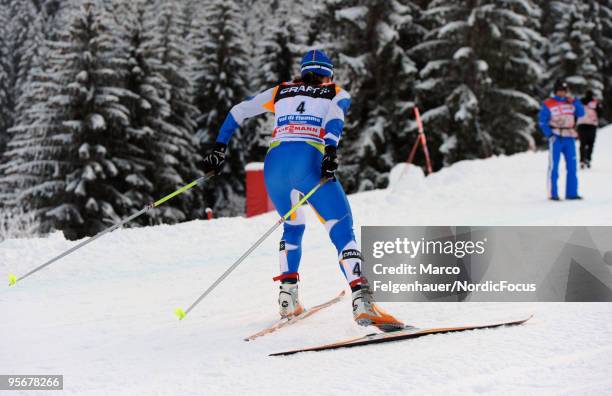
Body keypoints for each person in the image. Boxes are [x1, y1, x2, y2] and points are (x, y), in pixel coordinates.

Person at [202, 50, 404, 331]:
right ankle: (362, 300)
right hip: (308, 160)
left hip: (274, 166)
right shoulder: (336, 92)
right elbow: (334, 121)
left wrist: (219, 148)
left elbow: (238, 111)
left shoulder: (281, 91)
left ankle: (288, 297)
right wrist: (330, 151)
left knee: (293, 226)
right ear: (328, 74)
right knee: (342, 227)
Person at [538, 79, 585, 201]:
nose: (562, 93)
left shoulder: (571, 102)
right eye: (559, 91)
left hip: (569, 136)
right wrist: (549, 134)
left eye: (564, 91)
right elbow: (542, 121)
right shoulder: (548, 103)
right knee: (554, 166)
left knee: (572, 166)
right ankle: (553, 194)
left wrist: (574, 102)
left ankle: (572, 193)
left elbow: (581, 113)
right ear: (555, 91)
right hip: (556, 136)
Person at [576, 90, 602, 169]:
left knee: (582, 144)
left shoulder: (580, 102)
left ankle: (582, 160)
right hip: (591, 125)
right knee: (590, 143)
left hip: (582, 124)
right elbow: (600, 113)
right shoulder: (595, 103)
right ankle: (587, 159)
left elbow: (575, 112)